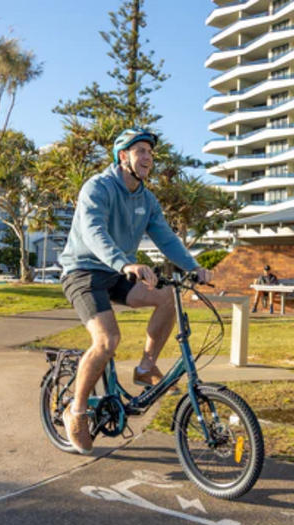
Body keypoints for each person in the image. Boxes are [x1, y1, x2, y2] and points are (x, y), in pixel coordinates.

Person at [57, 127, 212, 455]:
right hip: (84, 271)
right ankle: (77, 411)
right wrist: (123, 263)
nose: (148, 158)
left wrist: (193, 267)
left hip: (116, 272)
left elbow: (167, 239)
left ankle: (145, 368)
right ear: (123, 156)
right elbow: (93, 229)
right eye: (140, 151)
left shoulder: (147, 199)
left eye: (150, 153)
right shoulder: (98, 187)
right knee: (107, 341)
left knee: (169, 297)